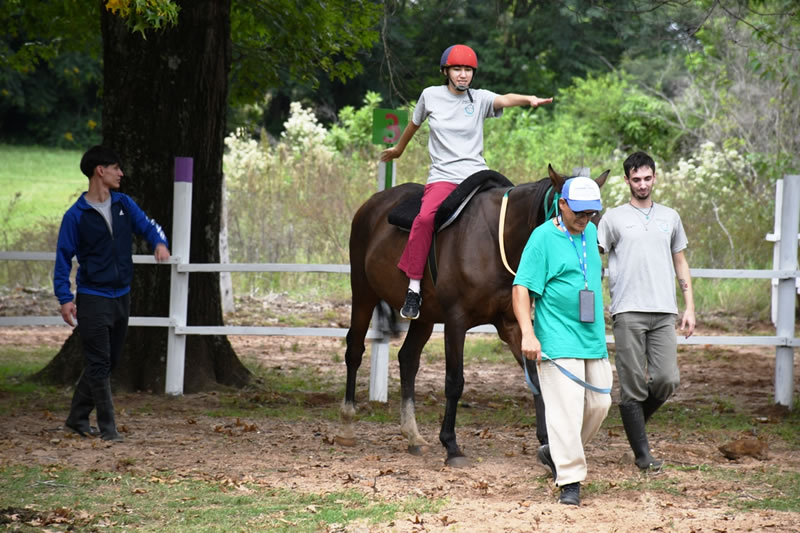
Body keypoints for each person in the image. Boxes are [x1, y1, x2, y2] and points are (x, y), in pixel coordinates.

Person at [380, 43, 553, 319]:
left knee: (516, 213)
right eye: (457, 69)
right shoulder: (430, 96)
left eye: (468, 70)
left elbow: (504, 98)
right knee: (424, 219)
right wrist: (399, 149)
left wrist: (528, 99)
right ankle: (413, 287)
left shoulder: (480, 99)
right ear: (446, 71)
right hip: (444, 177)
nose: (463, 75)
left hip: (478, 175)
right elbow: (413, 123)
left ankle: (521, 284)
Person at [55, 145, 170, 442]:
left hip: (122, 295)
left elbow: (149, 226)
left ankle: (76, 418)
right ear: (100, 170)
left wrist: (159, 242)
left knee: (111, 361)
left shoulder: (124, 204)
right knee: (99, 363)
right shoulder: (75, 216)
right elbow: (63, 258)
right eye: (116, 168)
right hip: (93, 297)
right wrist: (65, 298)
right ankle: (109, 430)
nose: (121, 173)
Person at [512, 177, 613, 506]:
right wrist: (528, 333)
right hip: (555, 337)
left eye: (591, 213)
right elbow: (521, 288)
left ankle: (556, 451)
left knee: (600, 404)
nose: (584, 219)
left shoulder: (591, 233)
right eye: (579, 212)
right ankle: (570, 481)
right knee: (566, 410)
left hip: (592, 336)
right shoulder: (542, 238)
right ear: (562, 205)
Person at [596, 151, 696, 471]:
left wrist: (689, 307)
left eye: (647, 178)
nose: (642, 184)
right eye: (635, 179)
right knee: (633, 384)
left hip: (664, 310)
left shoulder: (671, 217)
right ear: (626, 180)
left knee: (667, 379)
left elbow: (680, 260)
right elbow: (593, 256)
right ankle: (643, 455)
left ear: (655, 177)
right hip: (627, 310)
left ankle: (634, 425)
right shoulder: (613, 218)